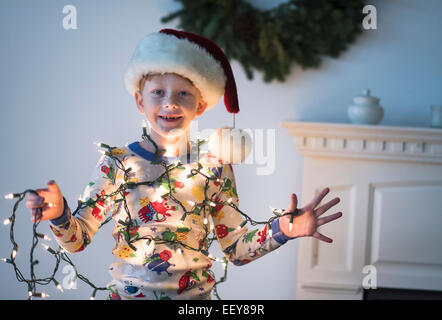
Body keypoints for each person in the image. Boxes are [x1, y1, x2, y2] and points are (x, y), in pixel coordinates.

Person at [25, 29, 342, 300]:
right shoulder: (117, 164)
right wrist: (59, 214)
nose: (170, 103)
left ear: (201, 104)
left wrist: (282, 230)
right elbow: (77, 239)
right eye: (158, 92)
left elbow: (235, 248)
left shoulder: (214, 166)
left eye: (184, 93)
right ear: (140, 101)